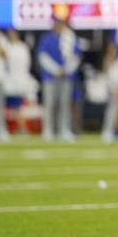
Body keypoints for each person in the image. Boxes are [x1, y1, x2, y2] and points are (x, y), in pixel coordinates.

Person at [37, 8, 80, 142]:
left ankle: (64, 129)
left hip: (66, 76)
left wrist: (66, 69)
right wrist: (56, 70)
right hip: (50, 76)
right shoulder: (46, 38)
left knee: (65, 104)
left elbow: (76, 57)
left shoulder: (69, 38)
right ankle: (48, 130)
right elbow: (42, 57)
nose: (59, 26)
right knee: (49, 103)